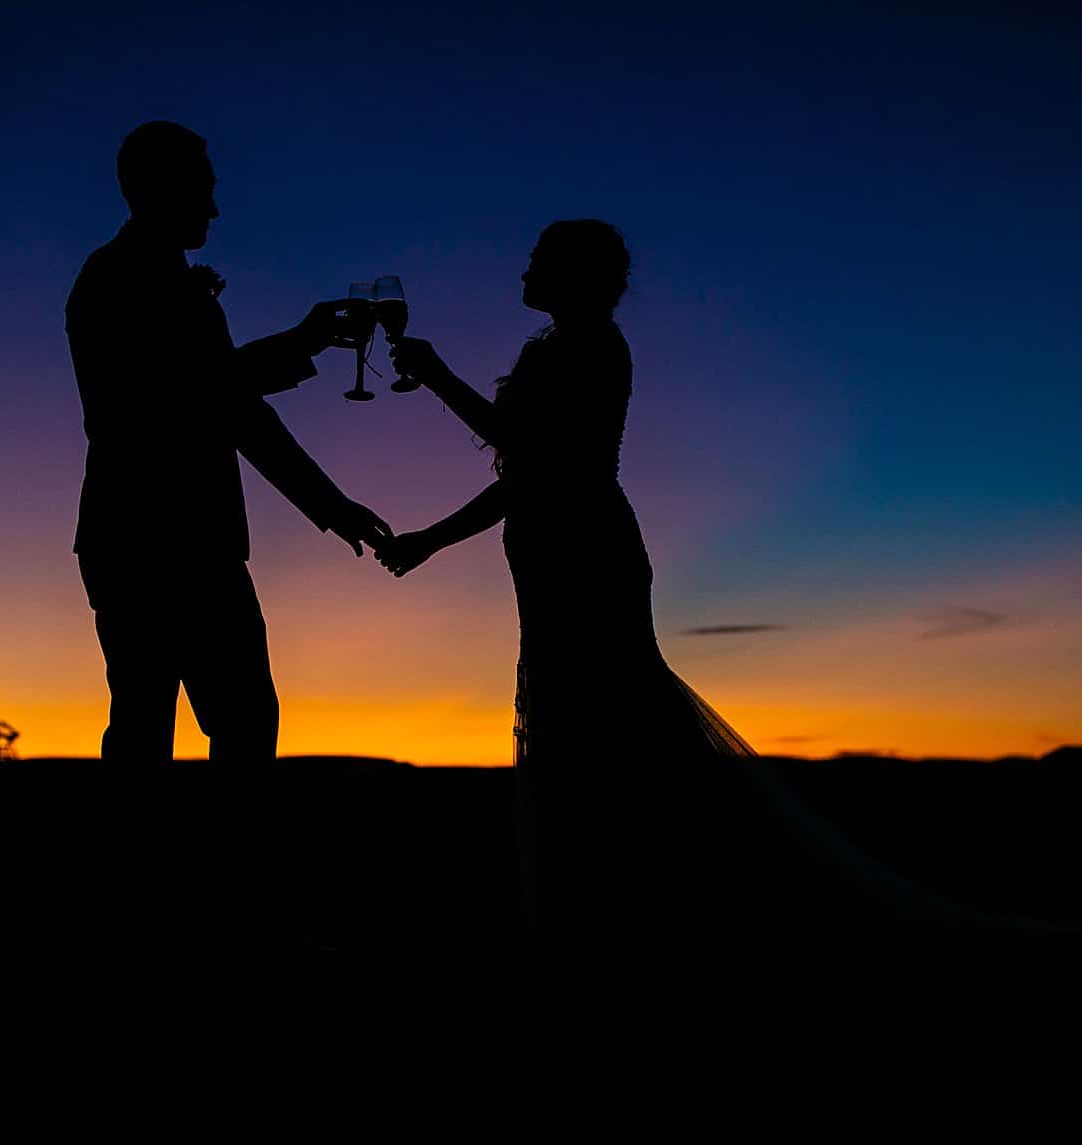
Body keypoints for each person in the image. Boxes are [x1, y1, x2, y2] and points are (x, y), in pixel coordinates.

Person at [376, 221, 948, 947]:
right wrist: (433, 539)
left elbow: (540, 456)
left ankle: (645, 904)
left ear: (573, 274)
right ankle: (604, 900)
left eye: (538, 260)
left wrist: (435, 377)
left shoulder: (595, 347)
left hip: (587, 553)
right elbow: (526, 478)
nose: (523, 269)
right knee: (572, 717)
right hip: (548, 551)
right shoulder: (550, 346)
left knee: (609, 717)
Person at [65, 121, 392, 767]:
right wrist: (304, 341)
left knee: (172, 723)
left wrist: (332, 506)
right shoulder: (120, 278)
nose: (215, 208)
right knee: (203, 725)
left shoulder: (153, 279)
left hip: (145, 540)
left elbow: (226, 405)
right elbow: (204, 399)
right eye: (203, 190)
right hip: (163, 540)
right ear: (160, 188)